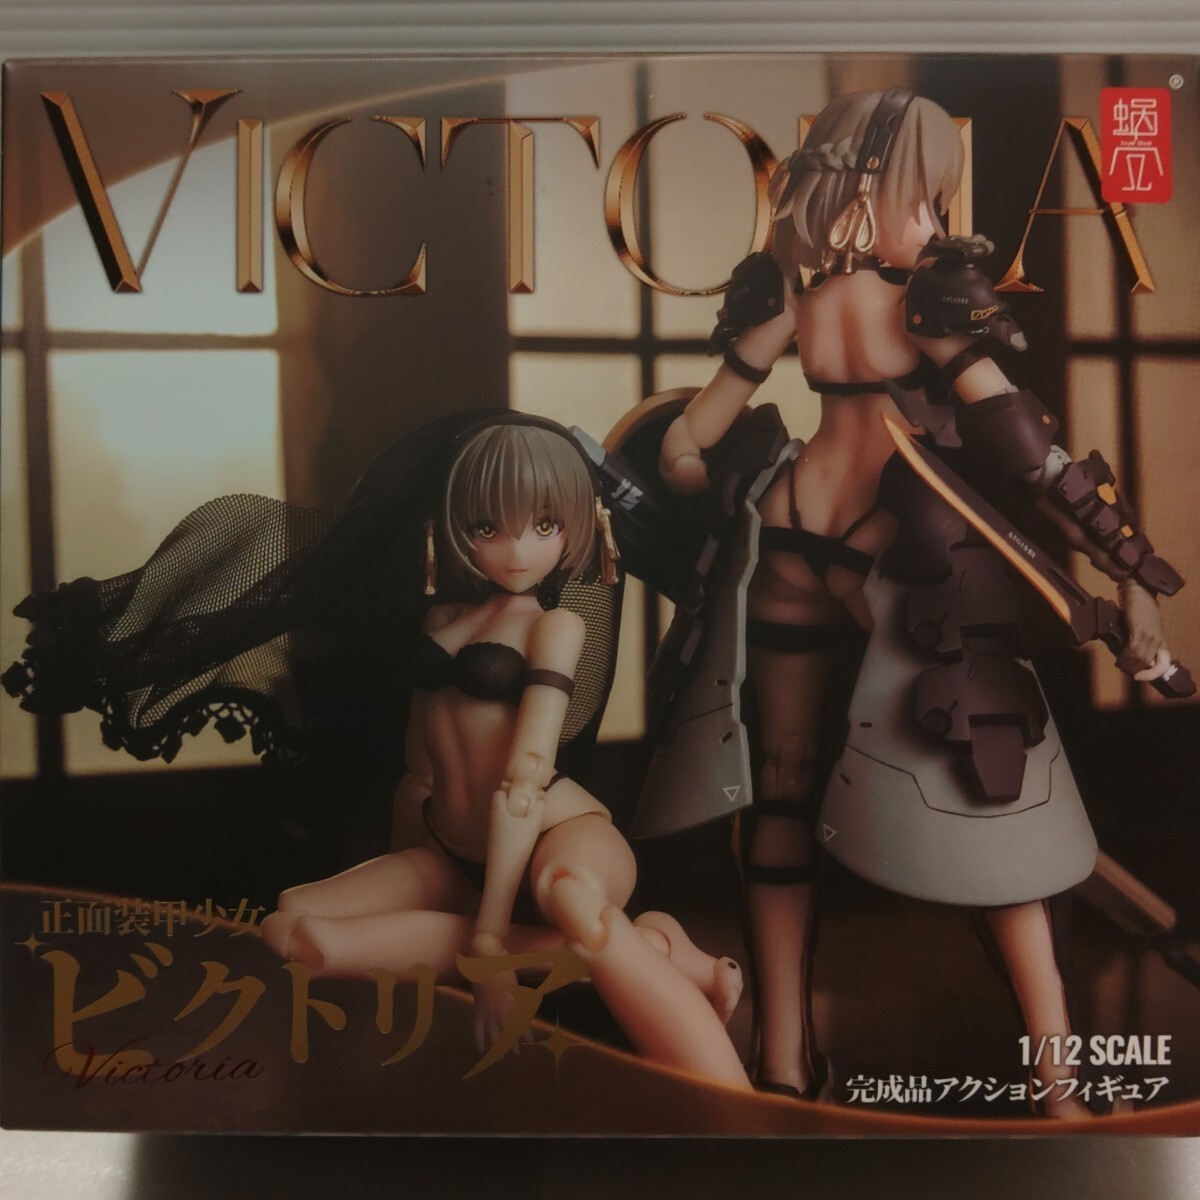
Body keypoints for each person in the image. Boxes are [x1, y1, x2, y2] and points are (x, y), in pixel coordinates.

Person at [654, 88, 1182, 1115]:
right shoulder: (927, 300)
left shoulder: (787, 295)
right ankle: (1056, 1079)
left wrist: (680, 465)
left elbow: (692, 433)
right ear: (866, 190)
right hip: (890, 543)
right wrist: (1130, 566)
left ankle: (783, 1060)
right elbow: (1029, 455)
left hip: (789, 533)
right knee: (997, 788)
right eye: (924, 200)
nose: (935, 223)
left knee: (783, 793)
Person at [5, 411, 748, 1088]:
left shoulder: (554, 627)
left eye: (545, 525)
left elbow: (524, 779)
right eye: (489, 526)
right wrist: (425, 877)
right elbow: (420, 771)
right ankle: (654, 949)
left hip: (555, 835)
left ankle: (727, 1098)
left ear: (576, 527)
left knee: (573, 902)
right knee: (294, 927)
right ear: (455, 526)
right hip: (452, 852)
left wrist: (492, 943)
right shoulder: (442, 622)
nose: (520, 548)